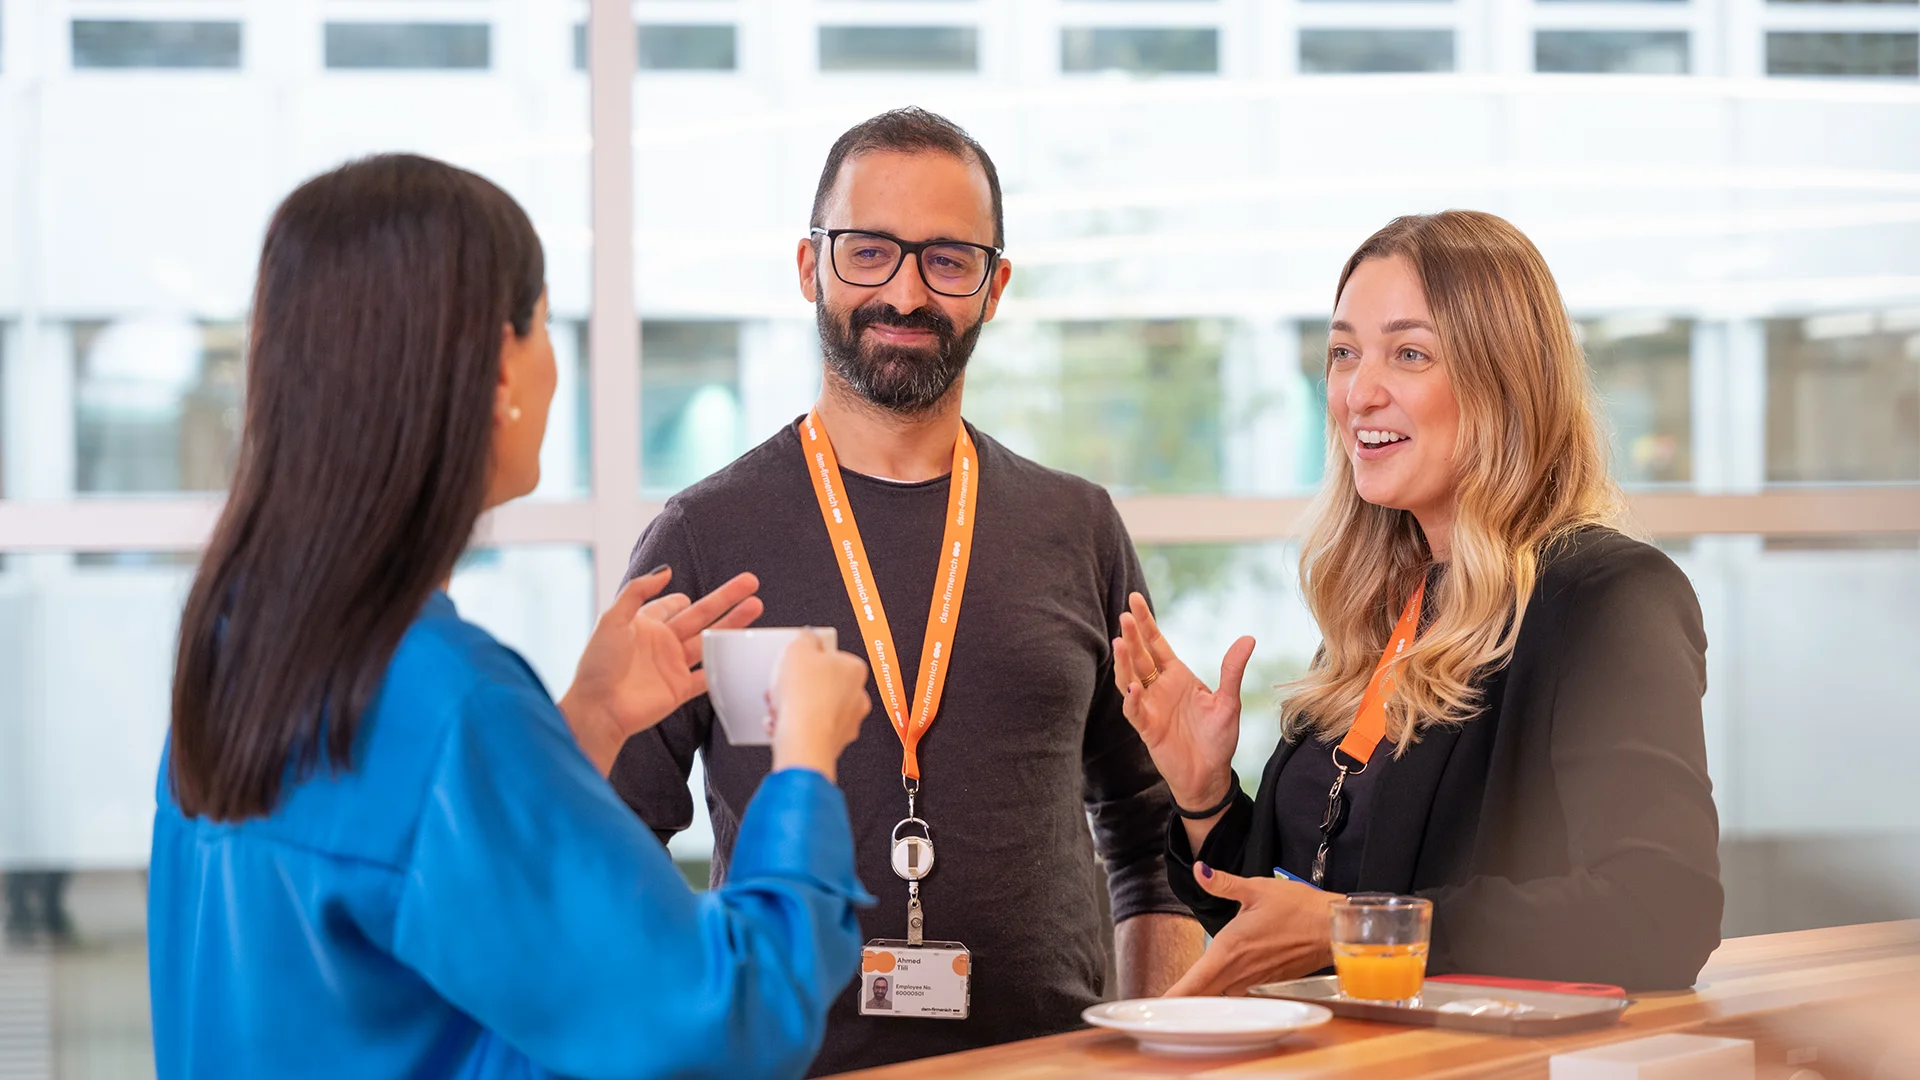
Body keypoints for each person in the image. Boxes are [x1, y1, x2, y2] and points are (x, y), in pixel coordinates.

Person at [147, 154, 877, 1080]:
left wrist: (583, 725)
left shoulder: (236, 650)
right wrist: (805, 760)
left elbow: (411, 967)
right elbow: (723, 1023)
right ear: (501, 368)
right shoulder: (453, 707)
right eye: (542, 325)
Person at [610, 107, 1204, 1074]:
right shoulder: (703, 538)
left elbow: (1154, 844)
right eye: (869, 251)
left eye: (948, 260)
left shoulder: (1077, 527)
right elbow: (612, 844)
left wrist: (1150, 1059)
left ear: (994, 285)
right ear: (810, 267)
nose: (906, 292)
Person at [1115, 210, 1723, 996]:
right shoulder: (1381, 611)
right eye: (1343, 353)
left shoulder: (1607, 599)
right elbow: (1291, 918)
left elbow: (1660, 913)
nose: (1358, 393)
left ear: (1504, 379)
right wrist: (1204, 797)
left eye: (1409, 354)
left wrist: (1351, 928)